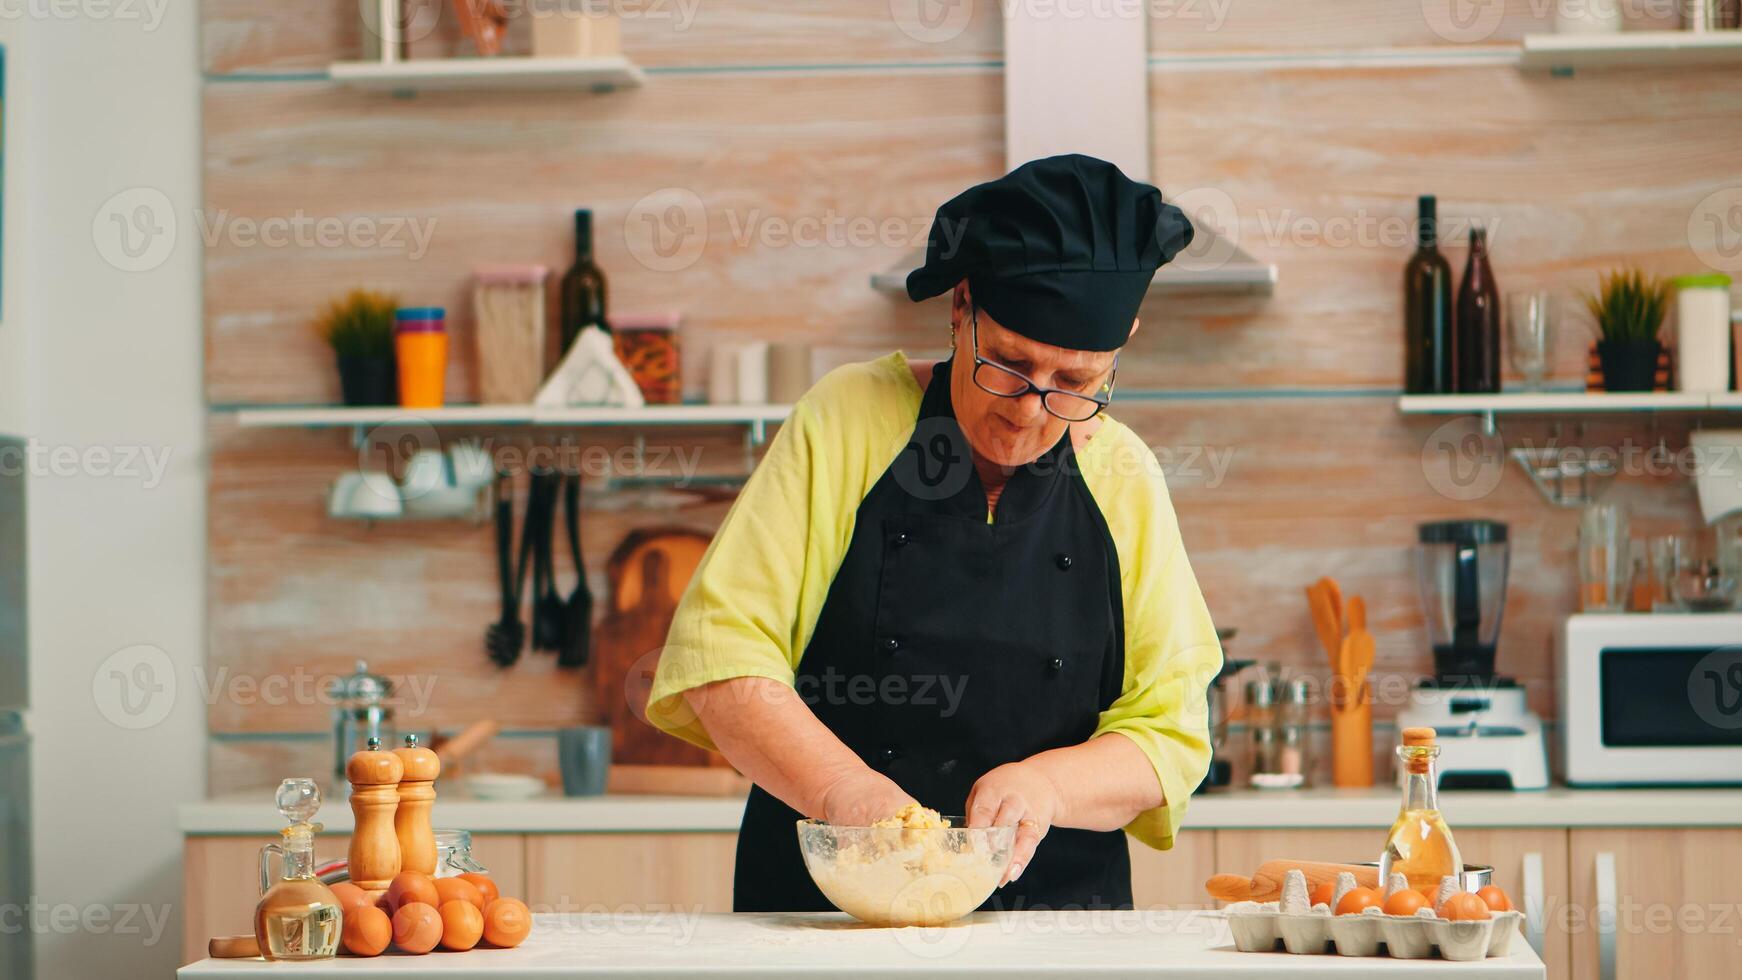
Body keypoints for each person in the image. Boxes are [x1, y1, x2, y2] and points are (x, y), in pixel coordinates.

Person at [647, 154, 1223, 911]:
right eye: (1009, 367)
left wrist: (1047, 784)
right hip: (828, 920)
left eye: (1076, 384)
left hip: (1053, 931)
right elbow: (724, 659)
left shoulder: (1125, 474)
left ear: (1121, 351)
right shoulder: (848, 419)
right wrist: (847, 794)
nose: (1031, 410)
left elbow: (1170, 733)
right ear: (961, 308)